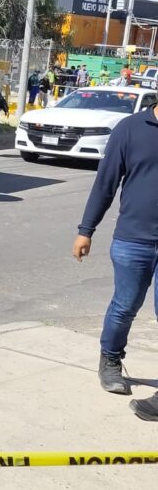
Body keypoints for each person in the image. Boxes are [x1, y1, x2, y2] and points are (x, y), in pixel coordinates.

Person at [73, 99, 158, 420]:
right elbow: (105, 184)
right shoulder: (130, 129)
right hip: (133, 240)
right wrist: (86, 230)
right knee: (124, 306)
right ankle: (110, 361)